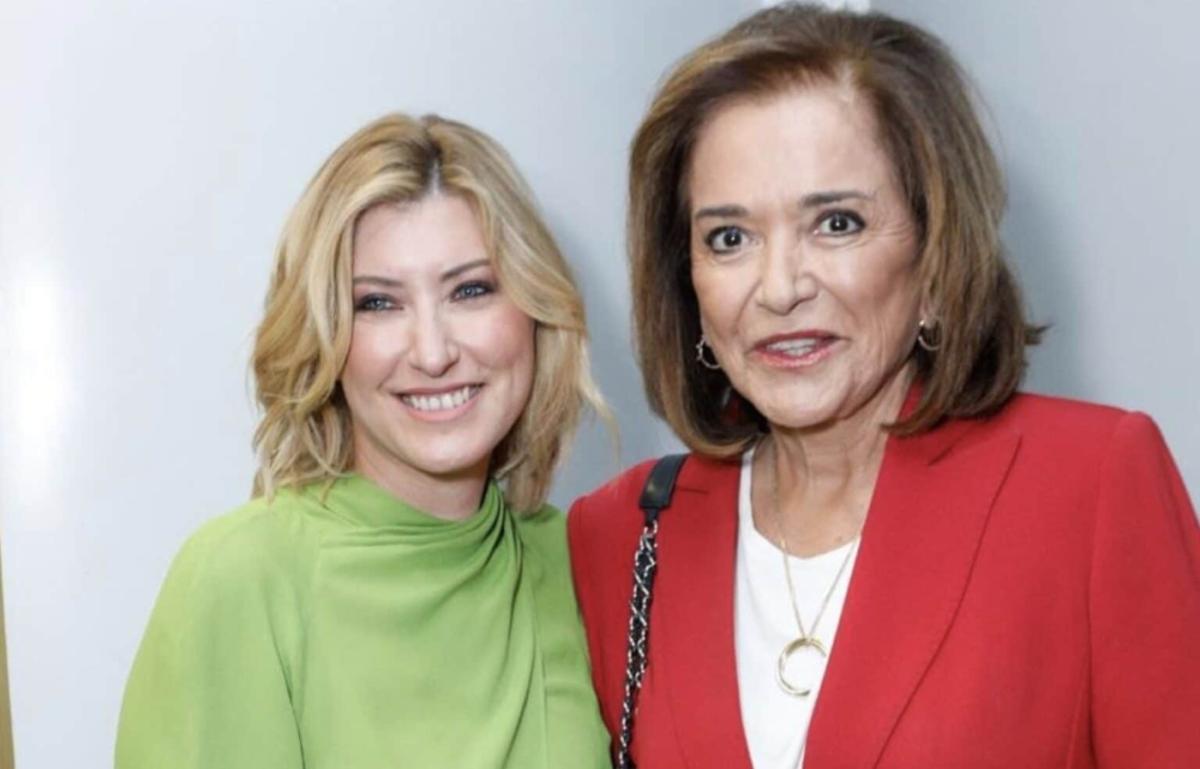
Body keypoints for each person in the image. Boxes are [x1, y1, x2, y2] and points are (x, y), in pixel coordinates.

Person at [567, 4, 1200, 768]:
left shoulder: (1090, 485)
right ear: (688, 279)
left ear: (935, 256)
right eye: (729, 238)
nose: (780, 287)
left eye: (836, 223)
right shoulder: (621, 534)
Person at [115, 113, 611, 769]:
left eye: (470, 290)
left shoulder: (576, 560)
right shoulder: (240, 578)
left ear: (533, 310)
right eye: (379, 303)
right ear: (326, 334)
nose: (432, 352)